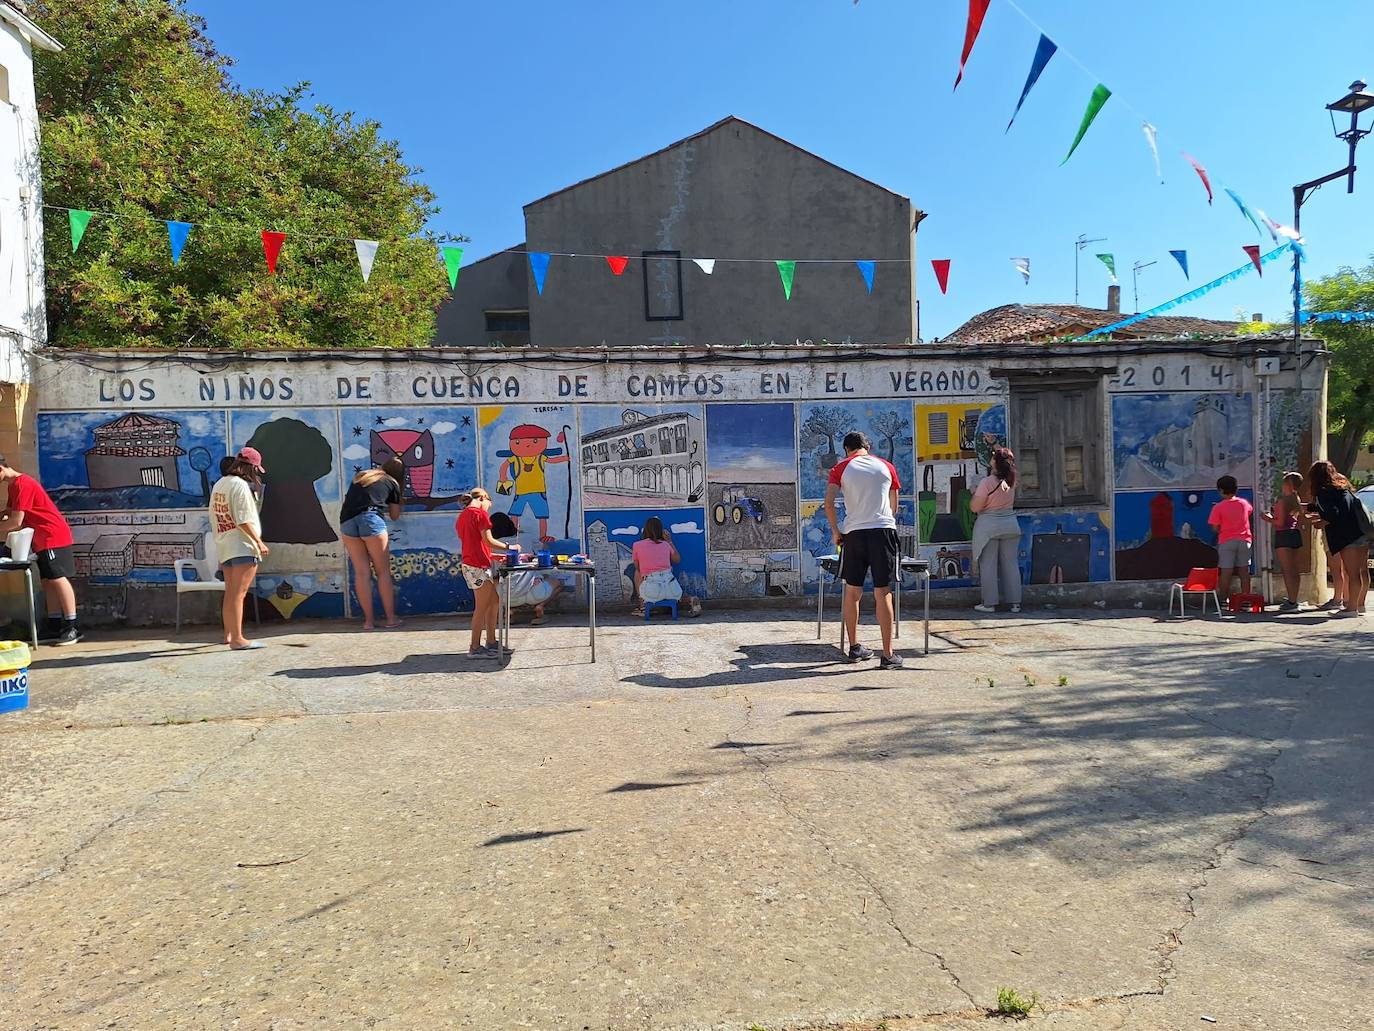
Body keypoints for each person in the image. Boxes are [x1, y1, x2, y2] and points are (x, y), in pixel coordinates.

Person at [824, 431, 903, 669]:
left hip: (854, 533)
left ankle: (855, 647)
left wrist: (837, 532)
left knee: (852, 591)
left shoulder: (840, 468)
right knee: (883, 592)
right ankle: (888, 655)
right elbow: (894, 506)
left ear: (846, 449)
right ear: (866, 447)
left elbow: (828, 502)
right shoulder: (886, 466)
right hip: (882, 531)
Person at [0, 456, 82, 645]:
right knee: (47, 581)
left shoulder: (22, 484)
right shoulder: (13, 486)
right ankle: (54, 625)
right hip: (40, 538)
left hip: (52, 536)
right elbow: (9, 513)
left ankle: (72, 626)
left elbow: (15, 522)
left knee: (58, 578)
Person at [209, 448, 270, 650]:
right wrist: (259, 542)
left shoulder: (220, 484)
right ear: (250, 467)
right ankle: (238, 639)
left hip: (225, 545)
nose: (257, 474)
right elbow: (243, 519)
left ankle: (229, 634)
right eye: (256, 469)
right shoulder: (240, 486)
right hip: (242, 545)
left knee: (230, 593)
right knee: (239, 594)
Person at [339, 457, 405, 630]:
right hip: (371, 520)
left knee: (361, 573)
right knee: (382, 572)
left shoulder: (362, 476)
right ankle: (391, 619)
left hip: (347, 521)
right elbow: (395, 515)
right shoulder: (392, 483)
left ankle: (368, 621)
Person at [1303, 460, 1370, 617]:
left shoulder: (1323, 492)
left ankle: (1351, 608)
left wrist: (1320, 522)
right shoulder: (1342, 487)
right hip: (1362, 530)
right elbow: (1341, 507)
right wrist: (1314, 509)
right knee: (1361, 571)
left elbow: (1333, 514)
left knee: (1352, 573)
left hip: (1347, 535)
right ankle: (1359, 605)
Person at [495, 423, 569, 544]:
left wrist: (565, 458)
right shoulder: (516, 458)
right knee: (515, 513)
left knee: (542, 515)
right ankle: (513, 532)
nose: (528, 445)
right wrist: (503, 477)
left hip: (538, 491)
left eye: (535, 441)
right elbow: (504, 466)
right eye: (518, 442)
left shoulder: (540, 457)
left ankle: (542, 536)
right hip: (521, 492)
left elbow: (553, 460)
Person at [455, 487, 508, 658]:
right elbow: (489, 540)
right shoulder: (480, 514)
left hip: (472, 564)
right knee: (482, 607)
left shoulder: (462, 517)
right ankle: (475, 647)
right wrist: (509, 547)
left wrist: (494, 556)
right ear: (483, 498)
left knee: (494, 602)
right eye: (489, 505)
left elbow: (475, 544)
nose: (488, 509)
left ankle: (491, 641)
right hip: (477, 566)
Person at [969, 446, 1022, 614]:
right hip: (1010, 525)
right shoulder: (1012, 480)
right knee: (1011, 565)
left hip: (989, 528)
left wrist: (974, 492)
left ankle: (989, 603)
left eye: (993, 457)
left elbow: (975, 507)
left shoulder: (986, 482)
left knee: (989, 565)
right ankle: (1015, 604)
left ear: (995, 462)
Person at [489, 510, 565, 625]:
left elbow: (492, 574)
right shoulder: (526, 537)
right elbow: (543, 549)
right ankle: (540, 606)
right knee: (559, 584)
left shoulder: (491, 546)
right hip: (534, 593)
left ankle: (508, 612)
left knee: (493, 583)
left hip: (506, 597)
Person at [631, 516, 702, 617]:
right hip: (672, 589)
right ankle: (689, 600)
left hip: (651, 591)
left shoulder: (637, 545)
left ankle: (642, 606)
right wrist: (669, 541)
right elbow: (677, 560)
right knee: (671, 579)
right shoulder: (666, 544)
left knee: (637, 572)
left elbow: (637, 566)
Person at [1260, 471, 1306, 611]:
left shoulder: (1282, 502)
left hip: (1283, 535)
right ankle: (1294, 598)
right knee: (1294, 570)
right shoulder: (1295, 499)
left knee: (1287, 570)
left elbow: (1279, 522)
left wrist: (1267, 517)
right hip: (1295, 534)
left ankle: (1292, 603)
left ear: (1287, 485)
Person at [1208, 476, 1254, 607]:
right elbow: (1249, 512)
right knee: (1244, 571)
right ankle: (1246, 599)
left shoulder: (1218, 507)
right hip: (1245, 540)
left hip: (1227, 541)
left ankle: (1223, 600)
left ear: (1221, 490)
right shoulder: (1244, 503)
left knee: (1226, 571)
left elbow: (1215, 527)